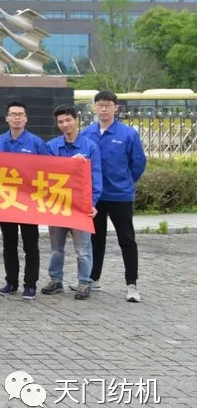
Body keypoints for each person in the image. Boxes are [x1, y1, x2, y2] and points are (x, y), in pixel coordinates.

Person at [80, 90, 147, 302]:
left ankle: (131, 284)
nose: (104, 109)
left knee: (126, 239)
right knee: (95, 239)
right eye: (100, 105)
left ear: (115, 108)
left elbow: (138, 163)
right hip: (96, 197)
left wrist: (125, 181)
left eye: (108, 105)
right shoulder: (86, 133)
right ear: (95, 108)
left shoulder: (128, 134)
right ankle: (93, 278)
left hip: (120, 195)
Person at [0, 100, 50, 300]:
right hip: (6, 201)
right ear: (7, 118)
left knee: (30, 245)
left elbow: (50, 169)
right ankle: (11, 282)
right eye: (13, 114)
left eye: (20, 115)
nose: (17, 118)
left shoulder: (36, 143)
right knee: (9, 244)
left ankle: (30, 284)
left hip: (29, 203)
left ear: (26, 119)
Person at [43, 104, 102, 301]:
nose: (65, 124)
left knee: (82, 249)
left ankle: (84, 282)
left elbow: (95, 177)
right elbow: (47, 174)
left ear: (76, 120)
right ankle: (55, 280)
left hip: (79, 206)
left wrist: (92, 203)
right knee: (56, 249)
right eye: (60, 121)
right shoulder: (52, 147)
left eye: (68, 120)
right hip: (58, 204)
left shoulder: (90, 147)